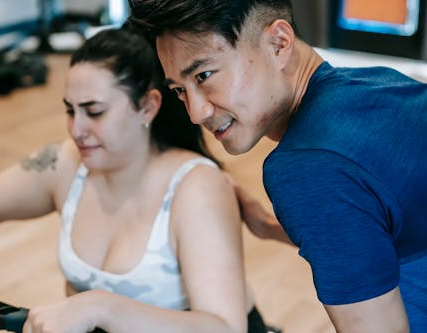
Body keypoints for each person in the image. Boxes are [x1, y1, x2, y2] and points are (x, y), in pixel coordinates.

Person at [0, 26, 271, 332]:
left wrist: (100, 307)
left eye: (94, 112)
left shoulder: (196, 187)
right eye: (69, 110)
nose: (76, 129)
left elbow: (224, 326)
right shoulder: (67, 164)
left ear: (148, 107)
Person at [128, 1, 427, 332]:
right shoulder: (379, 83)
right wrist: (272, 227)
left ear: (279, 44)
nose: (196, 113)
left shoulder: (306, 167)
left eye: (204, 75)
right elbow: (375, 224)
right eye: (180, 91)